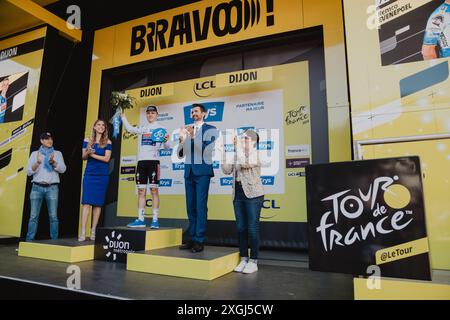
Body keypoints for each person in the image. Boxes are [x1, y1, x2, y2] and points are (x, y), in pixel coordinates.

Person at [221, 129, 264, 274]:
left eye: (245, 138)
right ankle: (244, 258)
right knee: (241, 228)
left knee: (252, 228)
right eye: (242, 137)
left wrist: (237, 148)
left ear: (253, 141)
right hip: (238, 193)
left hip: (253, 195)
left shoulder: (256, 154)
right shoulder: (236, 154)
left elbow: (245, 164)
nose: (242, 140)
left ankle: (253, 261)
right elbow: (226, 170)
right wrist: (223, 153)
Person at [177, 103, 218, 253]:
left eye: (196, 111)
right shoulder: (187, 129)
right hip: (189, 172)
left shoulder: (211, 129)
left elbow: (207, 151)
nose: (193, 113)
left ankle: (200, 240)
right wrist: (181, 141)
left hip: (202, 172)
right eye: (192, 112)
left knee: (201, 207)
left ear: (204, 114)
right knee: (191, 207)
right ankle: (192, 238)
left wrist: (193, 137)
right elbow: (181, 154)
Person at [121, 105, 170, 228]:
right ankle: (141, 219)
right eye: (148, 113)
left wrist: (166, 141)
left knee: (154, 190)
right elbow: (129, 129)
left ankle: (155, 220)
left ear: (157, 115)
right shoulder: (143, 127)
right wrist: (122, 116)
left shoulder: (161, 128)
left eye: (153, 113)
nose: (150, 115)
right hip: (141, 162)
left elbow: (167, 147)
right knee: (141, 191)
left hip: (154, 162)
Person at [25, 132, 66, 241]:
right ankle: (29, 242)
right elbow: (28, 172)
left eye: (50, 138)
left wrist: (53, 163)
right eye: (46, 139)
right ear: (41, 141)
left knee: (53, 217)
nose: (49, 140)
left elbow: (63, 169)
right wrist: (38, 162)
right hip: (36, 187)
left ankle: (54, 241)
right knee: (33, 217)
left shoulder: (57, 153)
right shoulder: (35, 154)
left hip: (52, 188)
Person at [79, 120, 112, 241]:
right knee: (86, 203)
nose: (101, 127)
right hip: (90, 174)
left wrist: (92, 155)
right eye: (99, 125)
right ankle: (83, 232)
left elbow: (106, 158)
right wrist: (87, 152)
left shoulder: (108, 142)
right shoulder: (87, 140)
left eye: (103, 125)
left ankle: (93, 231)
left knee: (98, 204)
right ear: (94, 127)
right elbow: (83, 157)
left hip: (102, 175)